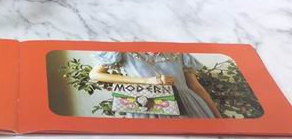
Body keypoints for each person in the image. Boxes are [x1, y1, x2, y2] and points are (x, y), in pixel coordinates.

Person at [89, 51, 221, 118]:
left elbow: (195, 87)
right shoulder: (122, 50)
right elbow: (95, 75)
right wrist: (147, 81)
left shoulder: (178, 50)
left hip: (189, 105)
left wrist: (219, 118)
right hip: (147, 106)